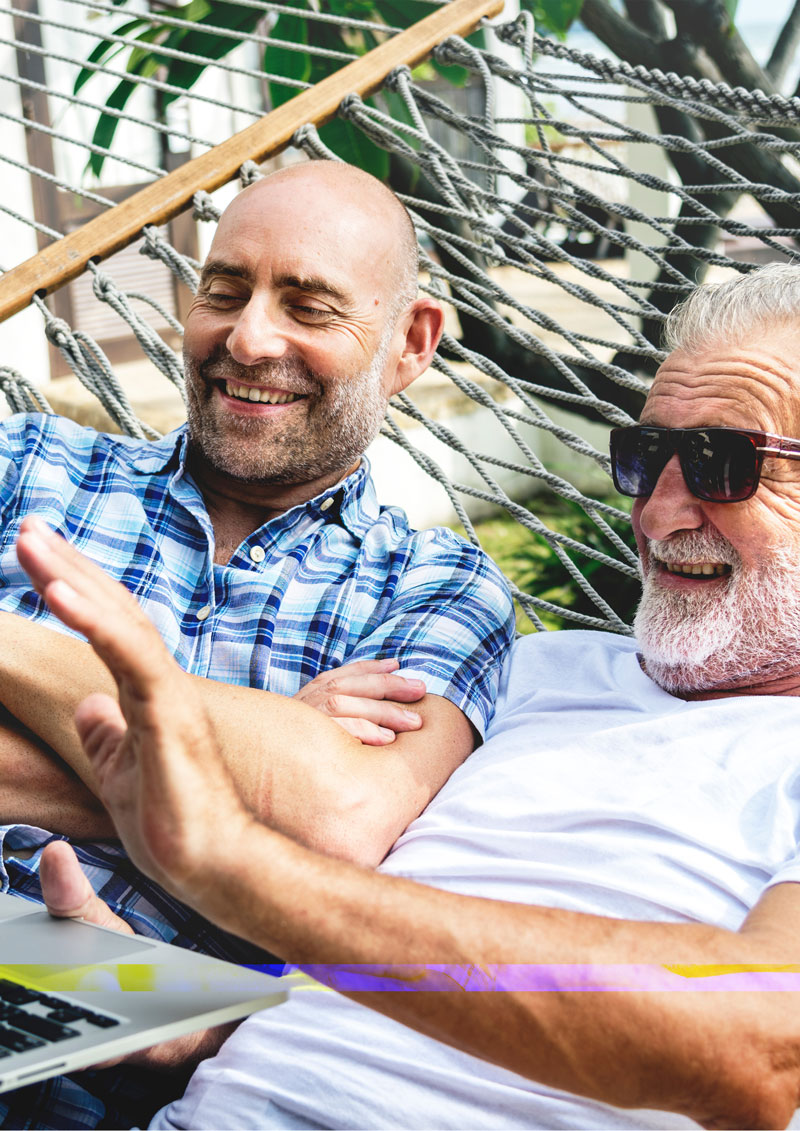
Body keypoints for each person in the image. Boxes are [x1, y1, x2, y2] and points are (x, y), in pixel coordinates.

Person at [19, 261, 800, 1131]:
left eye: (723, 463)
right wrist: (198, 1019)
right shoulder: (540, 671)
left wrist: (238, 866)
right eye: (648, 456)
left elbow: (761, 1047)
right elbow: (355, 914)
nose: (656, 515)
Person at [0, 160, 513, 1127]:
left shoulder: (436, 587)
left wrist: (15, 652)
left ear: (410, 342)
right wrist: (261, 748)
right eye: (224, 292)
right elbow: (293, 812)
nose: (247, 337)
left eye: (309, 307)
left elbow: (337, 819)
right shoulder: (27, 463)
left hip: (128, 1027)